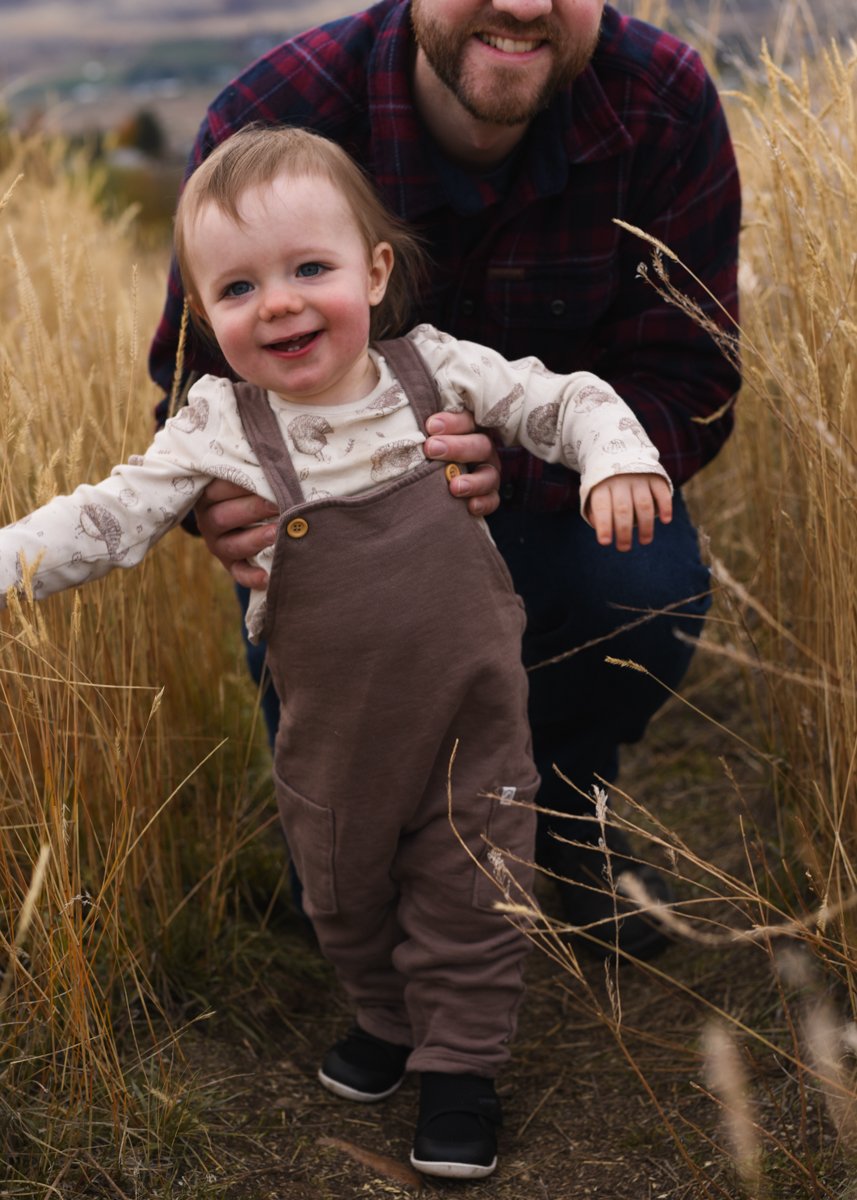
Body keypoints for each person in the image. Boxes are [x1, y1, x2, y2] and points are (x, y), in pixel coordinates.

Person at [1, 125, 673, 1179]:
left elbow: (562, 397)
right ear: (202, 311)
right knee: (341, 890)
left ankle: (459, 1068)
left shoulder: (433, 373)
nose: (276, 303)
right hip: (330, 732)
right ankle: (384, 1018)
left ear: (374, 270)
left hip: (466, 708)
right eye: (236, 287)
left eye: (309, 269)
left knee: (469, 884)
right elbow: (106, 516)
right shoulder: (217, 427)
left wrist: (612, 459)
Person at [149, 0, 741, 959]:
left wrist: (528, 467)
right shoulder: (272, 116)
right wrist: (220, 501)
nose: (518, 4)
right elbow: (190, 381)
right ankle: (359, 842)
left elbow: (691, 379)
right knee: (344, 907)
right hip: (339, 526)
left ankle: (563, 805)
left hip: (555, 504)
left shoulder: (663, 104)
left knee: (641, 585)